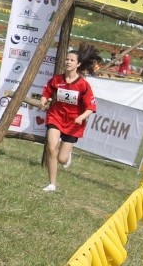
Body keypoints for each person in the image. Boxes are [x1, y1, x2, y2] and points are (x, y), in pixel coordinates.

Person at [39, 45, 102, 192]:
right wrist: (43, 100)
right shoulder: (56, 80)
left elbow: (91, 108)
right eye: (67, 59)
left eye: (72, 60)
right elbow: (46, 93)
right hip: (56, 117)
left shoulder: (83, 85)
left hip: (74, 123)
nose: (68, 62)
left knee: (61, 158)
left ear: (78, 64)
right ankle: (52, 184)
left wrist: (81, 117)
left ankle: (67, 156)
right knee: (51, 147)